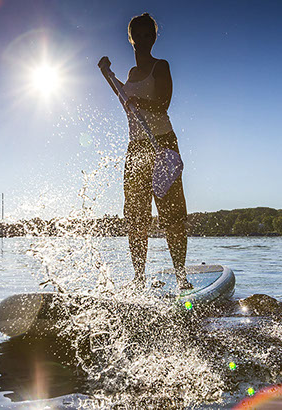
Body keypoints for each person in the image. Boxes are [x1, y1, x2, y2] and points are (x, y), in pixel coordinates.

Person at [99, 13, 192, 291]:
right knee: (136, 216)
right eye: (137, 35)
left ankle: (181, 277)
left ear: (153, 38)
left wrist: (141, 101)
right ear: (131, 39)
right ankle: (138, 279)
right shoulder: (130, 75)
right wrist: (107, 75)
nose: (142, 40)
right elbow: (125, 101)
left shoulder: (160, 67)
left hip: (163, 145)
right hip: (136, 148)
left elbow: (163, 104)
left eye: (147, 35)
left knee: (172, 217)